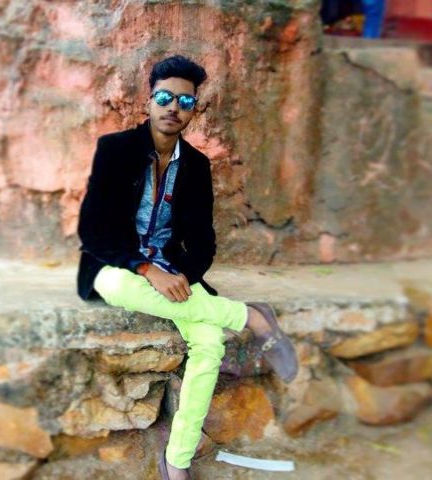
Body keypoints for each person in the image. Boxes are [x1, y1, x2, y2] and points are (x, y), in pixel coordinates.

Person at [76, 54, 299, 480]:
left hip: (171, 267)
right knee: (119, 287)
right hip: (115, 266)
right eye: (164, 97)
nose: (173, 107)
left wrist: (184, 276)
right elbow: (93, 232)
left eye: (185, 101)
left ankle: (176, 461)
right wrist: (147, 270)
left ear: (194, 109)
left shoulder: (196, 165)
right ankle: (251, 317)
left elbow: (202, 242)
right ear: (149, 100)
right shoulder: (115, 150)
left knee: (209, 341)